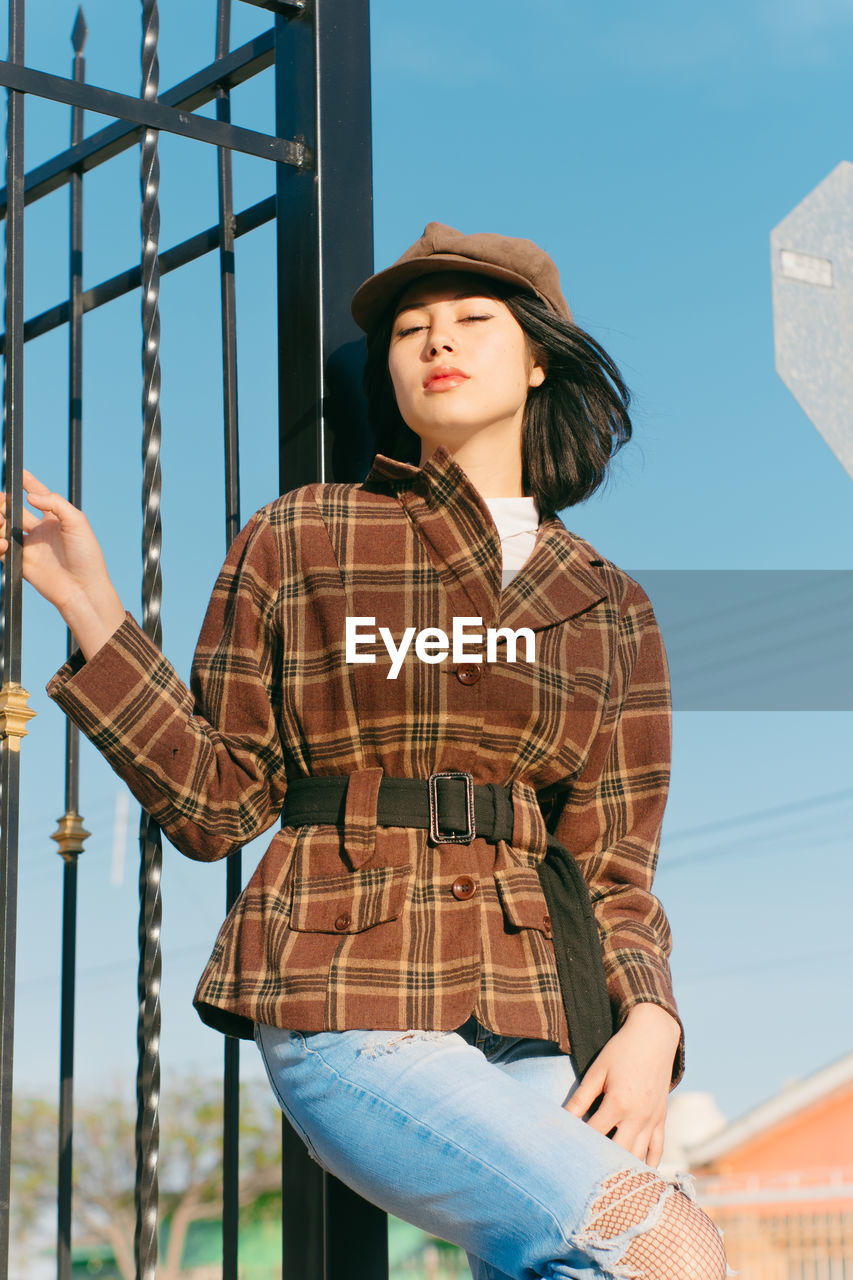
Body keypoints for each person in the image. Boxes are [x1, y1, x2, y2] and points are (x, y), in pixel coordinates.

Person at [5, 223, 728, 1279]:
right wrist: (90, 604)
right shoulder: (304, 535)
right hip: (348, 992)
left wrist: (652, 1023)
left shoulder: (607, 601)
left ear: (536, 359)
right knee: (662, 1244)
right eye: (409, 327)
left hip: (538, 1014)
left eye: (473, 319)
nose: (436, 339)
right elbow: (217, 801)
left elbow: (613, 863)